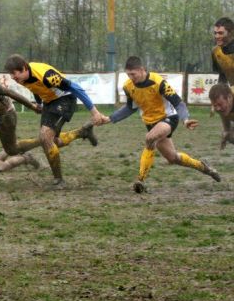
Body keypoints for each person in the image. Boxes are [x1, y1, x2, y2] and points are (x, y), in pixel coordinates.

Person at [99, 56, 220, 193]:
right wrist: (110, 118)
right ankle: (203, 167)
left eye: (133, 74)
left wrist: (185, 119)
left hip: (168, 118)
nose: (131, 77)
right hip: (151, 123)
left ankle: (140, 180)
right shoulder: (128, 86)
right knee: (173, 158)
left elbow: (178, 103)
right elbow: (130, 107)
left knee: (150, 138)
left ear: (142, 69)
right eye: (128, 74)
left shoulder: (158, 82)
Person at [4, 54, 102, 187]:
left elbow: (75, 88)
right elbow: (34, 88)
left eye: (14, 74)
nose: (12, 77)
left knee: (45, 137)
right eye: (10, 74)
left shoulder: (46, 75)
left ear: (23, 68)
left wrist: (94, 111)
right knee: (52, 142)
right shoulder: (23, 78)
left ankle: (59, 180)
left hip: (65, 99)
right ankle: (82, 132)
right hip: (50, 102)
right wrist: (39, 103)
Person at [208, 83, 234, 149]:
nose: (218, 108)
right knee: (229, 135)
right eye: (215, 105)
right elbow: (227, 127)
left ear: (229, 97)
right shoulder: (219, 108)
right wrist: (226, 135)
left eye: (220, 104)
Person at [211, 17, 234, 85]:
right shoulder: (215, 51)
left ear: (231, 32)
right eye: (215, 33)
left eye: (220, 33)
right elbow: (221, 76)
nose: (217, 36)